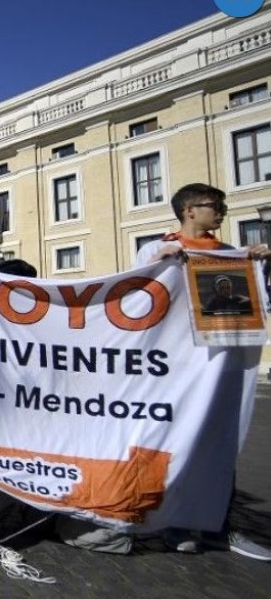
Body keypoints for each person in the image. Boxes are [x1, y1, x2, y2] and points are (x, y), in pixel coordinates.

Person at [135, 182, 271, 560]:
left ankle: (218, 526)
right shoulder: (155, 248)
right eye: (214, 205)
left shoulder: (230, 254)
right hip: (177, 365)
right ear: (189, 210)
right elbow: (134, 294)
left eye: (223, 205)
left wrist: (260, 267)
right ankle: (175, 524)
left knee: (220, 445)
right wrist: (158, 262)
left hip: (221, 364)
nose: (222, 212)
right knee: (180, 442)